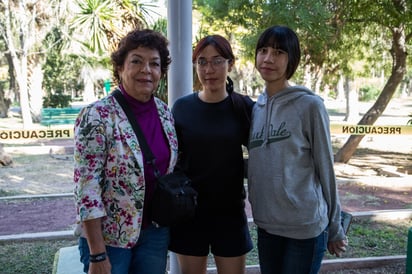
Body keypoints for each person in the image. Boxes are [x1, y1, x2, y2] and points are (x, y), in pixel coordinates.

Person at [73, 29, 178, 274]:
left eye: (155, 63)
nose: (146, 70)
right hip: (110, 241)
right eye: (137, 61)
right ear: (120, 68)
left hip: (155, 233)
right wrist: (97, 253)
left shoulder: (165, 113)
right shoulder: (97, 116)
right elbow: (86, 188)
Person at [247, 25, 348, 274]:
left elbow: (326, 167)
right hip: (267, 226)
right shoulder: (256, 108)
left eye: (279, 52)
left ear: (291, 60)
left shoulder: (309, 106)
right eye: (263, 50)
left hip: (304, 228)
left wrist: (335, 226)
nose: (269, 58)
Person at [169, 35, 254, 274]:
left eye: (217, 61)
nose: (209, 69)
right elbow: (171, 158)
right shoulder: (182, 107)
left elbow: (265, 153)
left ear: (230, 64)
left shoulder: (244, 107)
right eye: (202, 62)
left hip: (229, 213)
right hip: (189, 212)